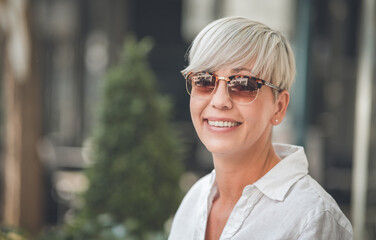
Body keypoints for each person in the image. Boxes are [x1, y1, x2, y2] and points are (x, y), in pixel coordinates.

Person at [168, 16, 353, 240]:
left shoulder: (311, 218)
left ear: (279, 107)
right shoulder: (195, 200)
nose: (219, 100)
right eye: (204, 80)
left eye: (243, 84)